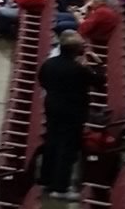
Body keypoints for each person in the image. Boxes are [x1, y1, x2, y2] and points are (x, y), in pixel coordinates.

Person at [39, 31, 97, 200]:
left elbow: (42, 80)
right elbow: (99, 82)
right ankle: (60, 188)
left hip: (52, 106)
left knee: (51, 142)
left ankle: (46, 180)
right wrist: (97, 64)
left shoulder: (49, 63)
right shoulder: (79, 69)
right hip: (72, 111)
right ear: (75, 50)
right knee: (67, 148)